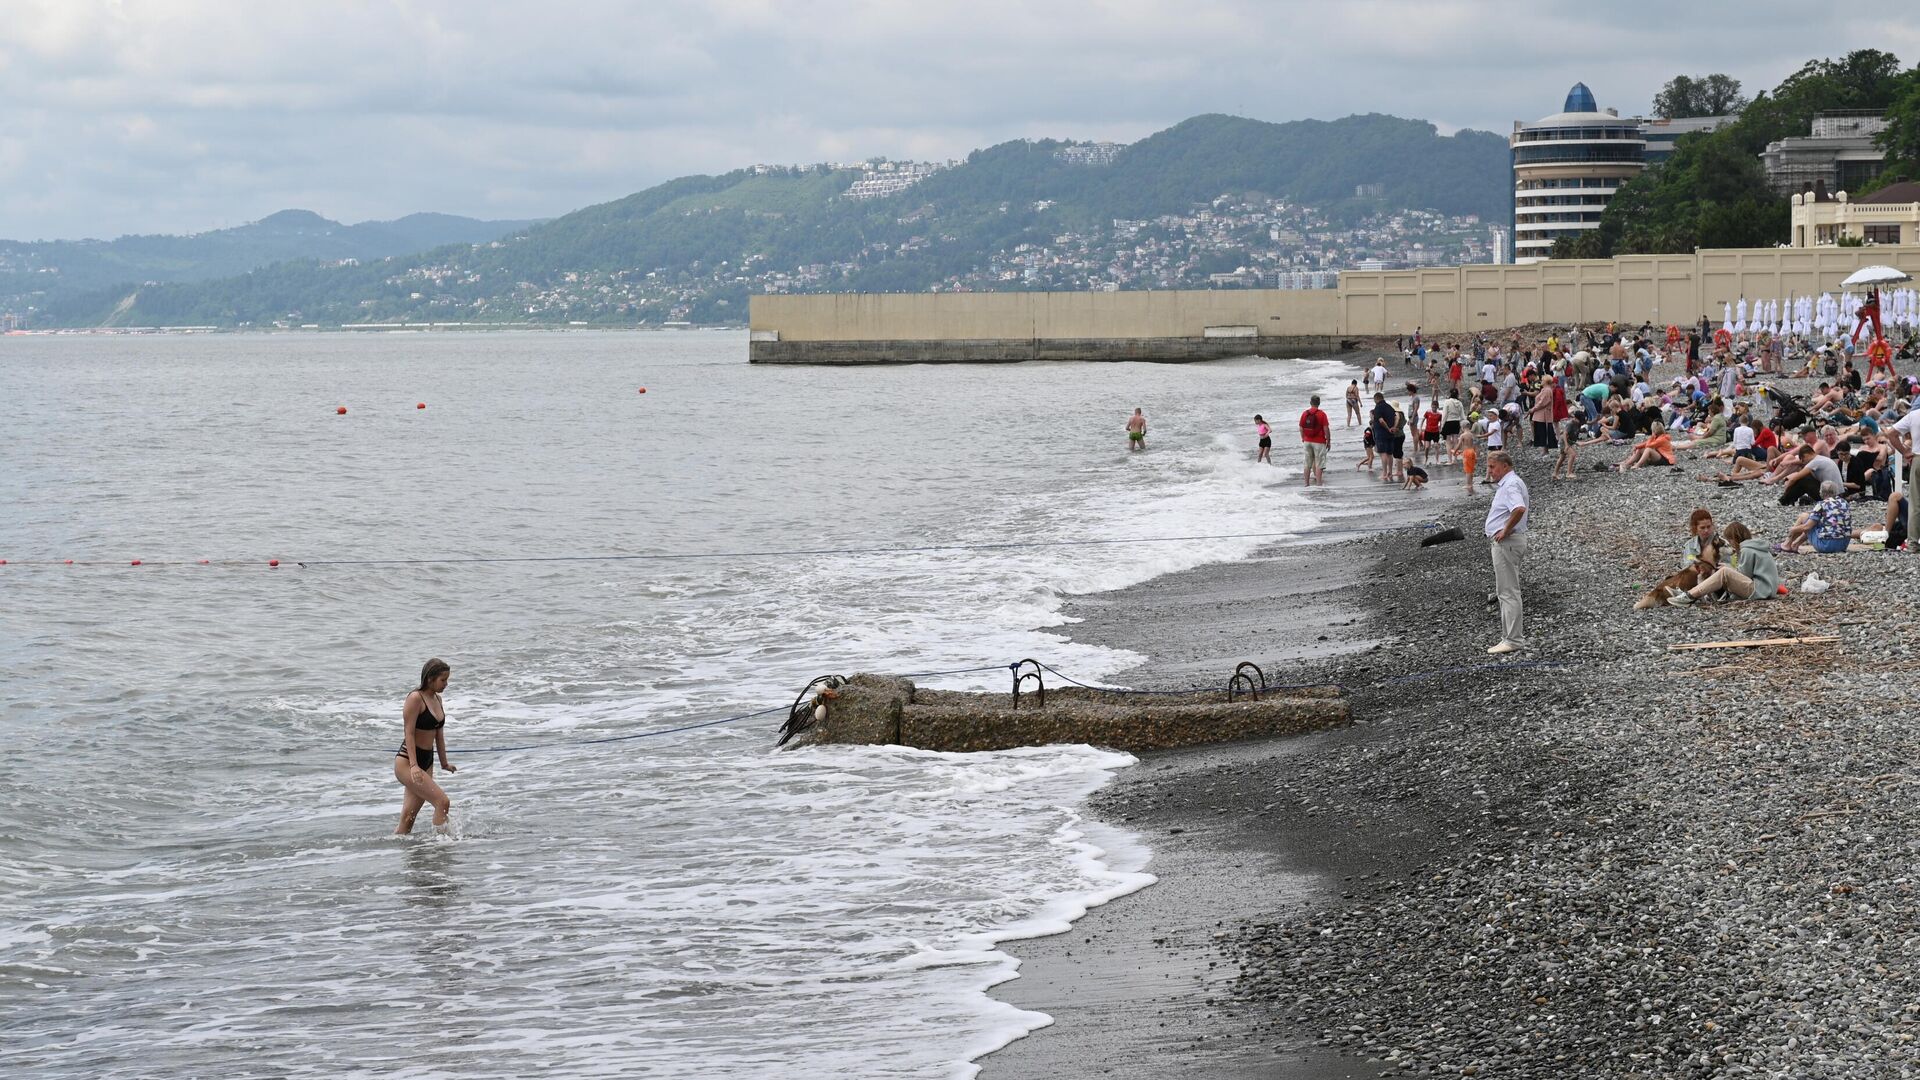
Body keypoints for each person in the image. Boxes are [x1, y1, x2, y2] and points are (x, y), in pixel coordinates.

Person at [394, 658, 456, 835]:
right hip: (407, 761)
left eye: (447, 679)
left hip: (427, 762)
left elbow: (439, 734)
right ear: (430, 679)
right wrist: (413, 765)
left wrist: (444, 763)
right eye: (443, 680)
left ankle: (398, 852)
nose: (446, 684)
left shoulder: (438, 699)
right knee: (442, 802)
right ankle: (440, 846)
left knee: (408, 819)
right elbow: (409, 733)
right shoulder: (415, 698)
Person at [1668, 521, 1780, 604]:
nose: (1730, 544)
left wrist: (1730, 568)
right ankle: (1689, 594)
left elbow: (1745, 575)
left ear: (1734, 538)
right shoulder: (1755, 547)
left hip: (1760, 591)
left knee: (1725, 571)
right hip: (1766, 590)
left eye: (1730, 540)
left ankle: (1689, 596)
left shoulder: (1747, 550)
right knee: (1724, 572)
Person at [1484, 451, 1529, 655]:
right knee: (1507, 590)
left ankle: (1512, 639)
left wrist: (1506, 530)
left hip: (1507, 542)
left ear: (1505, 466)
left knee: (1508, 591)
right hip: (1509, 541)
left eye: (1493, 467)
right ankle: (1510, 637)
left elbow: (1519, 509)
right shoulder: (1511, 483)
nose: (1490, 471)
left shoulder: (1511, 484)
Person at [1780, 482, 1854, 553]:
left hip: (1826, 545)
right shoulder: (1844, 502)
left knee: (1804, 517)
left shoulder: (1822, 504)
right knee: (1815, 522)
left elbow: (1807, 527)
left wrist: (1792, 529)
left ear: (1821, 492)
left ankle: (1786, 544)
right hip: (1843, 544)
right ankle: (1795, 545)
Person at [1298, 395, 1330, 486]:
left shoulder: (1305, 413)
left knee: (1307, 463)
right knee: (1319, 463)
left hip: (1307, 441)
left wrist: (1303, 438)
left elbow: (1301, 427)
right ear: (1319, 403)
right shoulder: (1322, 414)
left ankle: (1306, 484)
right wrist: (1328, 440)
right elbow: (1326, 429)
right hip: (1319, 441)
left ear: (1310, 402)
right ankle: (1319, 484)